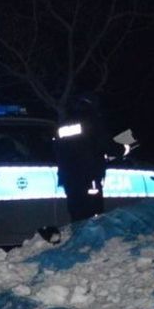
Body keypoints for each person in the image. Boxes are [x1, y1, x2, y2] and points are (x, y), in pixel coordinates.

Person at [54, 92, 116, 222]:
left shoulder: (65, 123)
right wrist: (125, 146)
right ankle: (91, 241)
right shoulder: (92, 121)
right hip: (89, 176)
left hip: (69, 178)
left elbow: (59, 149)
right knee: (93, 215)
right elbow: (106, 145)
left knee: (76, 214)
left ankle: (80, 239)